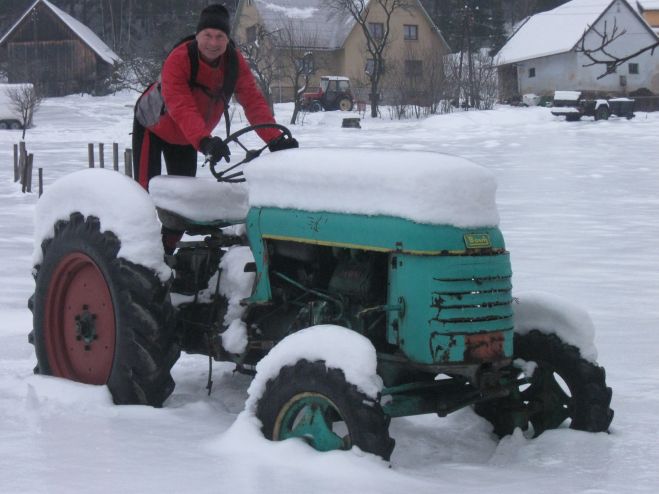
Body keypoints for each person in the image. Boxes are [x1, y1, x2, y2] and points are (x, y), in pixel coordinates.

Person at [132, 4, 298, 253]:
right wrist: (205, 140)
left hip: (188, 137)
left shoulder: (233, 64)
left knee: (180, 205)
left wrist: (274, 138)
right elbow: (181, 106)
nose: (213, 42)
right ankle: (139, 254)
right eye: (207, 35)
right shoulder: (179, 59)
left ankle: (165, 254)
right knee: (143, 197)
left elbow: (252, 101)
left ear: (227, 38)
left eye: (220, 36)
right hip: (154, 126)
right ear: (197, 35)